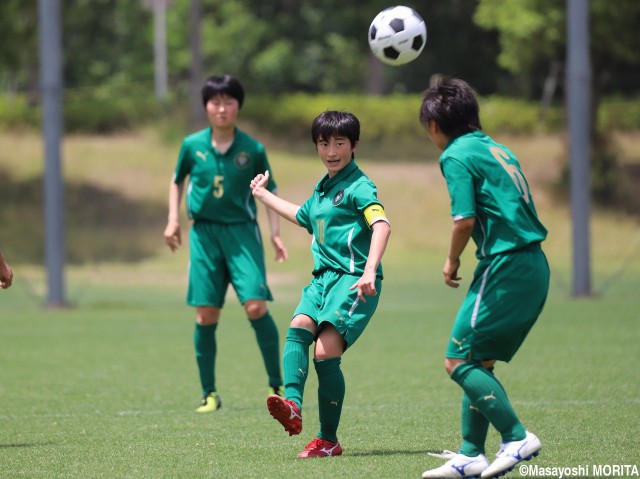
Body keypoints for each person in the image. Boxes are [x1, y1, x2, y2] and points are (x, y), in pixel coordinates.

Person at [418, 77, 549, 479]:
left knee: (457, 360)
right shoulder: (497, 147)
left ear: (435, 126)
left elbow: (464, 219)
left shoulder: (455, 155)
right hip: (533, 264)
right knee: (479, 361)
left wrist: (451, 260)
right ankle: (470, 454)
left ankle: (515, 436)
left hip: (505, 265)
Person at [250, 110, 391, 458]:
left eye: (339, 143)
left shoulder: (359, 187)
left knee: (325, 353)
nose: (331, 150)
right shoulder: (323, 189)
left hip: (353, 280)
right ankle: (293, 407)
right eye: (324, 143)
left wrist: (370, 269)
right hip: (322, 280)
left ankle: (328, 439)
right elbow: (302, 216)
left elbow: (382, 224)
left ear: (354, 145)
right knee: (298, 326)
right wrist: (263, 195)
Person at [163, 74, 288, 413]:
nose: (222, 108)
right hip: (204, 236)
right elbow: (177, 182)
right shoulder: (191, 146)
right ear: (206, 106)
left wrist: (275, 233)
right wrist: (173, 220)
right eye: (215, 102)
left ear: (238, 106)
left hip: (242, 234)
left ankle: (278, 384)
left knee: (255, 306)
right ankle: (209, 394)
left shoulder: (253, 149)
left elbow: (269, 191)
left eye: (228, 101)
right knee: (206, 314)